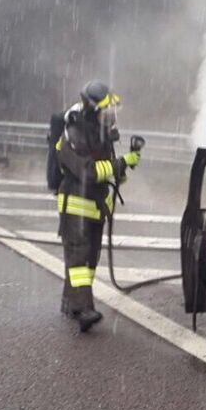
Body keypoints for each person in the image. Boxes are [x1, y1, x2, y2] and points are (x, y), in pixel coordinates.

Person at [55, 80, 140, 331]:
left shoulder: (101, 136)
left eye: (113, 112)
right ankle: (84, 309)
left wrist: (124, 168)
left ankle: (71, 302)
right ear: (92, 110)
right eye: (106, 111)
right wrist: (119, 165)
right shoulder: (74, 134)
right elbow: (88, 172)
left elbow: (110, 168)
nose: (111, 117)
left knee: (90, 259)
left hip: (95, 207)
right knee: (78, 258)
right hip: (75, 206)